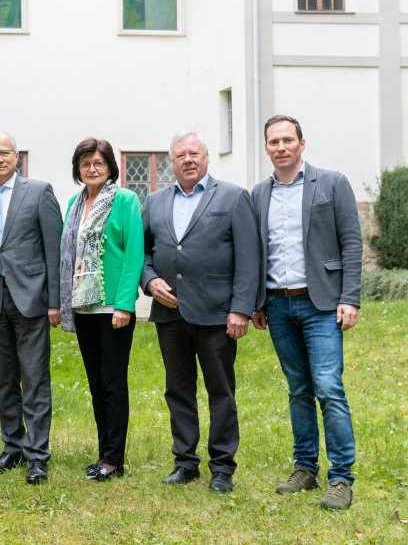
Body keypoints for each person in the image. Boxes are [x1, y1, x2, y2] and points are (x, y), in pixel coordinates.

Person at [251, 115, 362, 510]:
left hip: (322, 304)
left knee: (329, 388)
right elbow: (258, 252)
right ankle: (305, 468)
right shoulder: (259, 194)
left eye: (287, 140)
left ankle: (341, 478)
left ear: (301, 143)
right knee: (298, 388)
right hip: (278, 303)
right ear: (266, 148)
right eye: (273, 142)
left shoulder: (331, 183)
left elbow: (351, 242)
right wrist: (259, 304)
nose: (280, 147)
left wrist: (350, 298)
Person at [141, 131, 259, 493]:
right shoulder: (155, 201)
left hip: (216, 313)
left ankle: (222, 467)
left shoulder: (233, 197)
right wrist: (149, 282)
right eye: (180, 155)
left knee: (220, 391)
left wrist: (241, 308)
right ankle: (185, 462)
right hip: (170, 313)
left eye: (194, 153)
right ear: (171, 162)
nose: (188, 160)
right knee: (177, 390)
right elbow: (143, 254)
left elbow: (249, 258)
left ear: (207, 158)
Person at [0, 132, 61, 485]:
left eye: (5, 152)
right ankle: (13, 447)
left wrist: (55, 301)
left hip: (32, 298)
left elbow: (54, 250)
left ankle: (37, 455)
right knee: (3, 380)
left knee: (34, 379)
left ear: (17, 155)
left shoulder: (39, 192)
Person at [59, 138, 144, 481]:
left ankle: (114, 459)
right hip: (83, 308)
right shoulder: (74, 204)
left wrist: (124, 304)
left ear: (110, 167)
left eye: (98, 163)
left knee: (113, 383)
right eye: (85, 164)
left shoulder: (125, 200)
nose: (92, 169)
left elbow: (134, 252)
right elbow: (68, 254)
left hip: (112, 309)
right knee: (96, 384)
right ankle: (103, 453)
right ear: (78, 169)